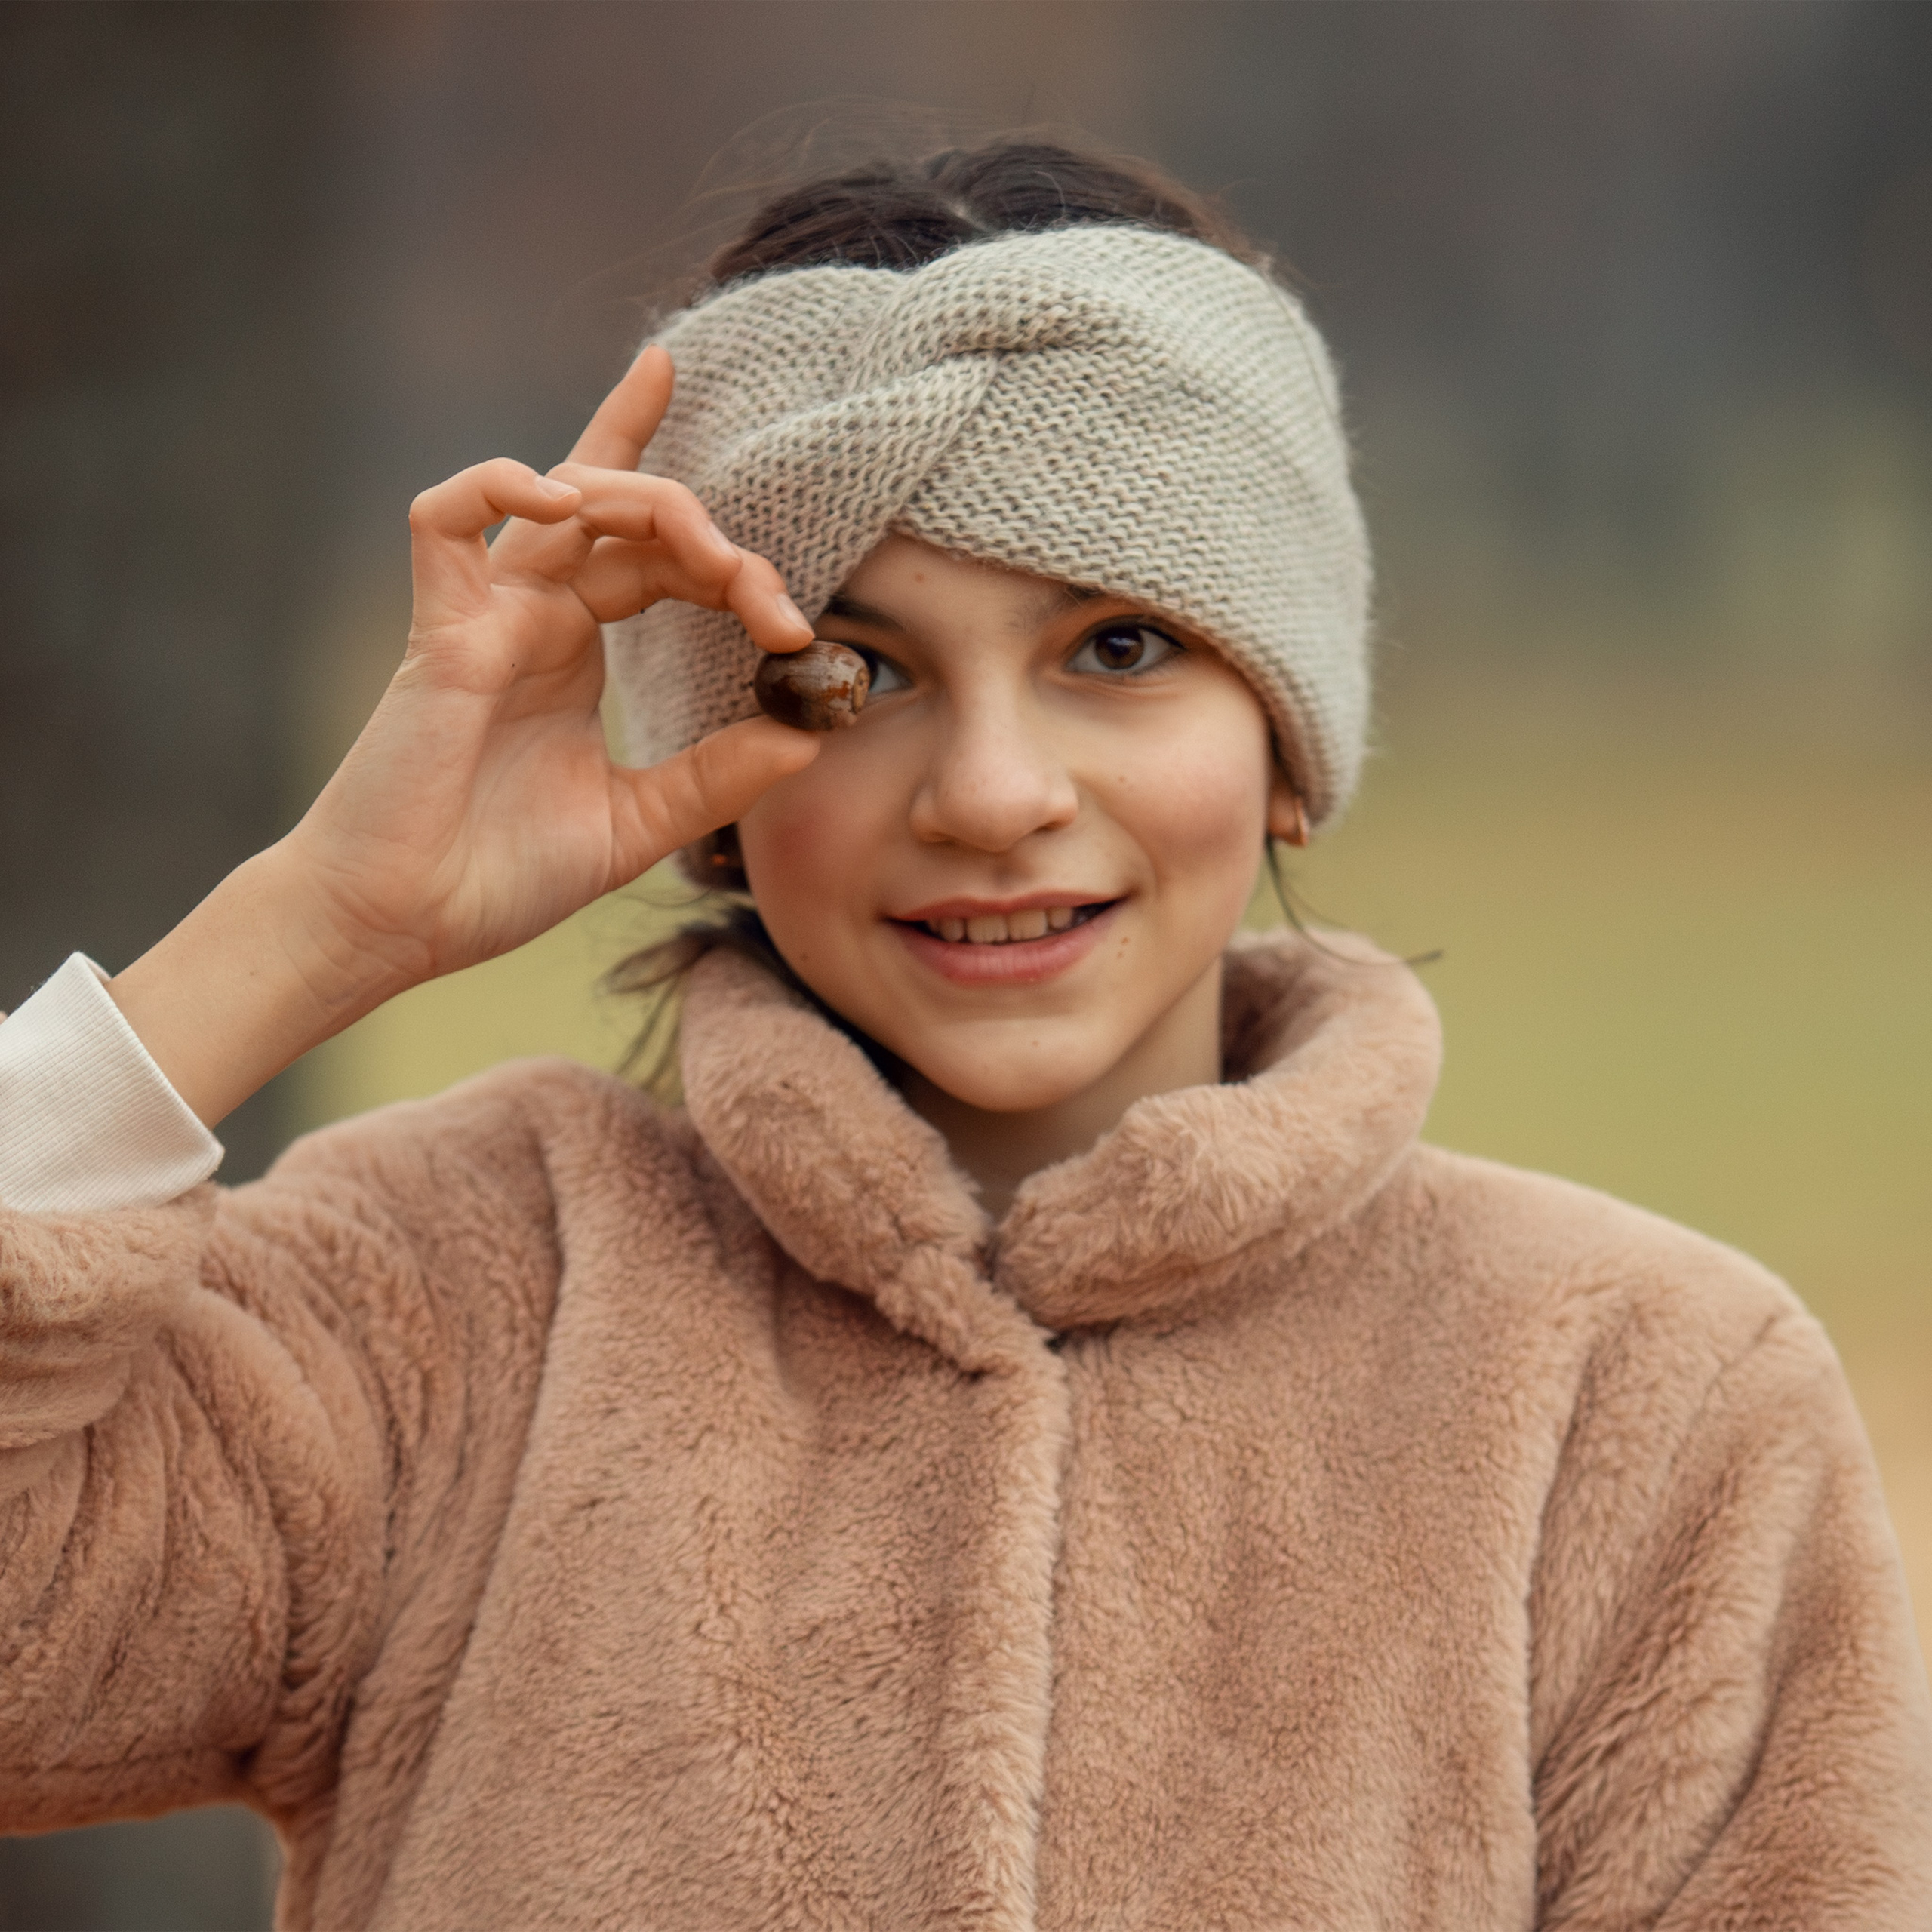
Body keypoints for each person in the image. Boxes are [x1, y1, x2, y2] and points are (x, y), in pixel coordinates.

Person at [1, 138, 1927, 1932]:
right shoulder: (454, 1294)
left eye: (1115, 647)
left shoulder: (1644, 1398)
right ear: (710, 772)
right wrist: (317, 923)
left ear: (1283, 740)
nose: (992, 790)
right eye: (851, 672)